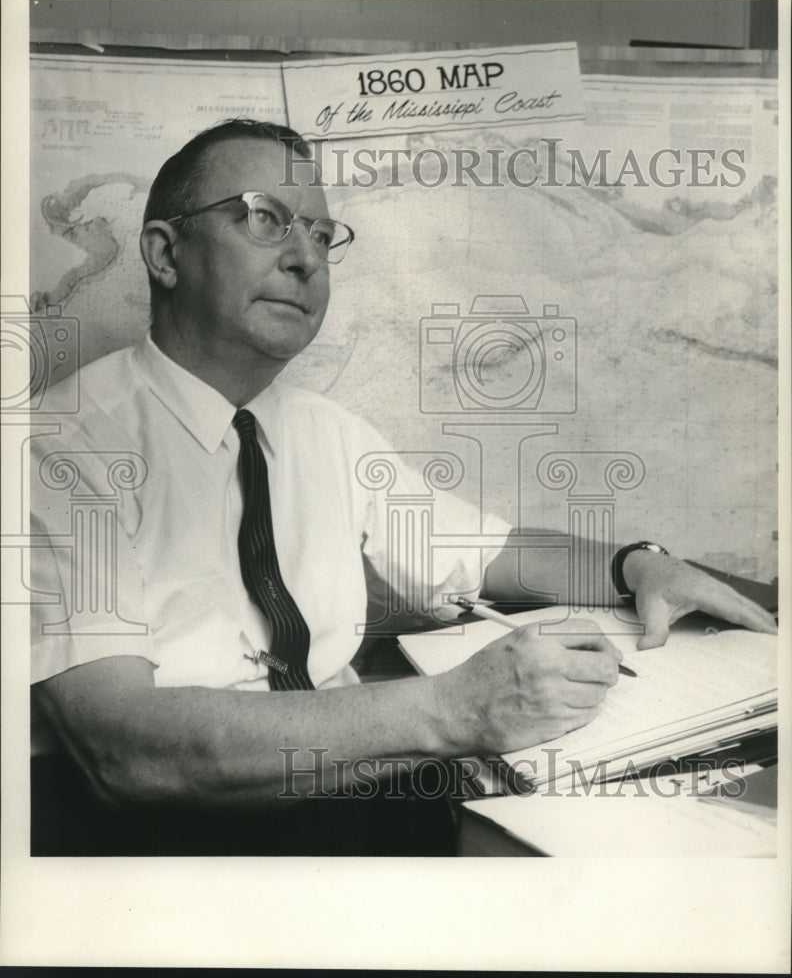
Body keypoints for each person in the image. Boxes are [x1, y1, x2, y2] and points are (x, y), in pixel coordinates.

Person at [29, 119, 777, 856]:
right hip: (171, 848)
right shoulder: (63, 447)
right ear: (166, 253)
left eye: (323, 236)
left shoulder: (328, 433)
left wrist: (637, 564)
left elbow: (489, 553)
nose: (305, 259)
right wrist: (454, 711)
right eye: (264, 219)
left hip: (357, 798)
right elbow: (120, 750)